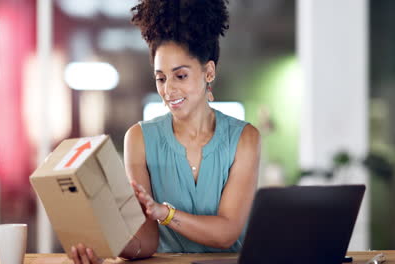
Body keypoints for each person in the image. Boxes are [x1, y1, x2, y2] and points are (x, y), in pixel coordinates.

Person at [70, 0, 260, 263]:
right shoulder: (139, 139)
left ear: (209, 72)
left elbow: (226, 233)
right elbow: (145, 242)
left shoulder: (244, 138)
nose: (168, 90)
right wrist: (104, 244)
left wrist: (165, 214)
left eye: (180, 76)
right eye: (161, 78)